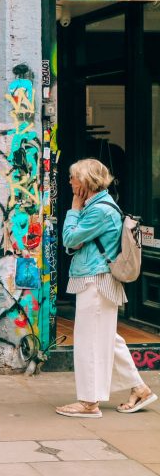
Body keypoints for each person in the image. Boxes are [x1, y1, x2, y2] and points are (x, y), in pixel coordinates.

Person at [55, 159, 157, 418]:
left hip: (96, 281)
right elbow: (73, 244)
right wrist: (76, 234)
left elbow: (69, 238)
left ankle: (90, 402)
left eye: (73, 177)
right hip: (96, 279)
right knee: (108, 339)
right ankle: (139, 388)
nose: (69, 182)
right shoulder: (98, 207)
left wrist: (74, 208)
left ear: (86, 182)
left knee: (89, 343)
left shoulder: (98, 209)